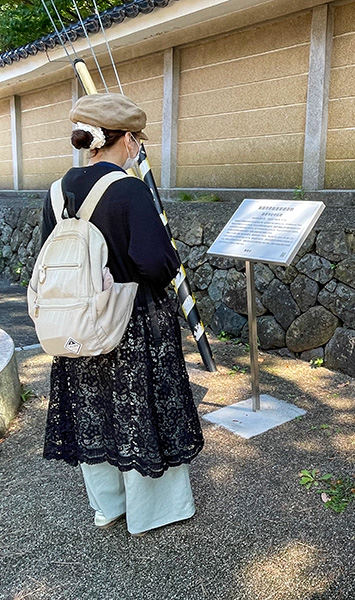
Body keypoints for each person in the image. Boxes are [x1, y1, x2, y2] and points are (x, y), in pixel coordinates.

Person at [39, 93, 204, 536]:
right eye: (137, 141)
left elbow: (47, 256)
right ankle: (153, 511)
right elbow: (153, 262)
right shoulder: (128, 189)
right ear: (127, 140)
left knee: (95, 411)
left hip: (77, 323)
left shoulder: (57, 191)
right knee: (141, 409)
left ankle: (107, 505)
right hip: (131, 322)